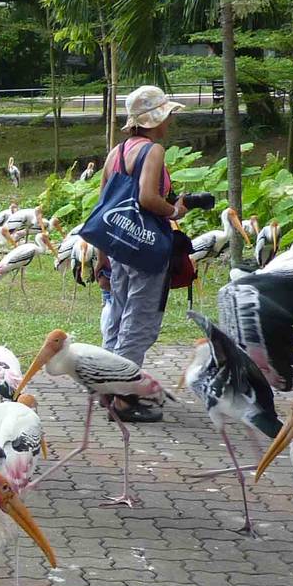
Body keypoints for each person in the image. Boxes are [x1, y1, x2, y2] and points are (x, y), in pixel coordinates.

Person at [92, 85, 189, 420]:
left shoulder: (117, 152)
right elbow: (148, 198)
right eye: (167, 115)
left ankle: (107, 390)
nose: (170, 122)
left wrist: (102, 256)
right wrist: (174, 211)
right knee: (139, 323)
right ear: (156, 118)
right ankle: (124, 400)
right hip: (146, 248)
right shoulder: (153, 150)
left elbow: (103, 207)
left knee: (117, 319)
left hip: (120, 246)